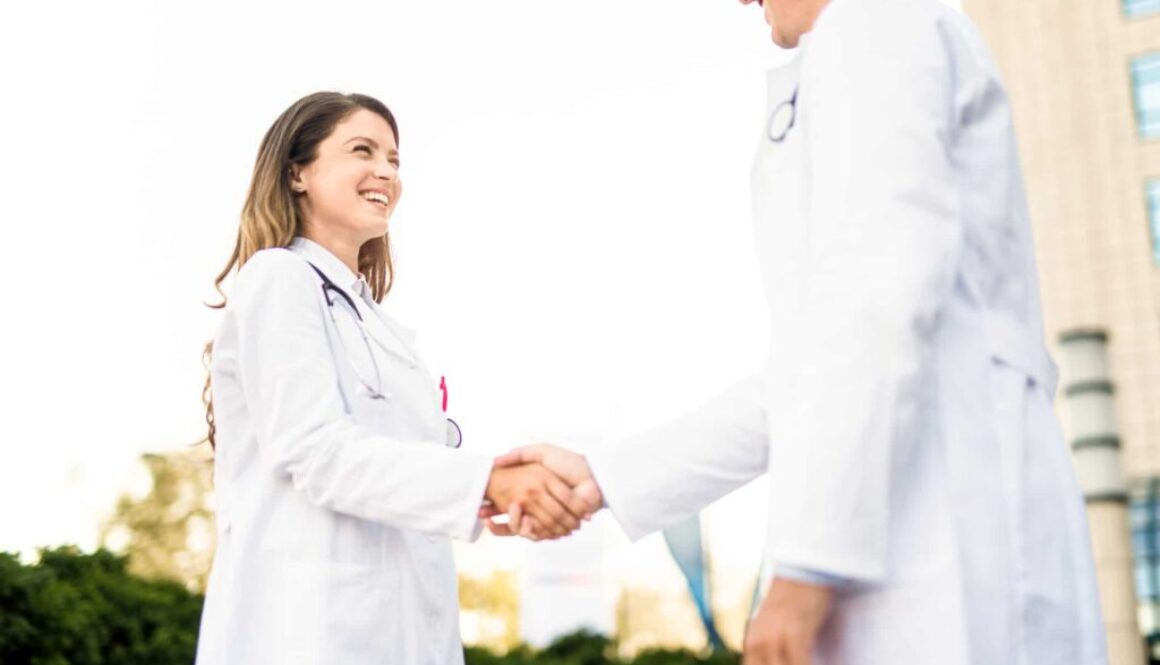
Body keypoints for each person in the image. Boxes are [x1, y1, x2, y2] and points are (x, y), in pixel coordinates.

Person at [492, 1, 1108, 663]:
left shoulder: (874, 21)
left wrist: (810, 567)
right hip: (915, 530)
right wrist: (604, 477)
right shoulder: (859, 38)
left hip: (947, 536)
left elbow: (875, 304)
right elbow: (808, 371)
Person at [194, 91, 590, 665]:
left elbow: (402, 472)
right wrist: (486, 482)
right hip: (306, 635)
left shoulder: (377, 324)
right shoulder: (279, 278)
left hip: (401, 633)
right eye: (363, 150)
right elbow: (314, 449)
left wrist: (497, 493)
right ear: (298, 172)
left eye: (394, 159)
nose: (386, 171)